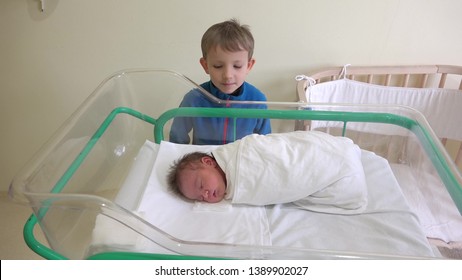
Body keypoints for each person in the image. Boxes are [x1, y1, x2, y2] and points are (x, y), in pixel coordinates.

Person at [167, 131, 368, 215]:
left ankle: (341, 162)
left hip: (323, 154)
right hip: (347, 180)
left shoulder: (240, 153)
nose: (205, 195)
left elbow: (279, 152)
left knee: (300, 156)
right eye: (200, 198)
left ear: (208, 162)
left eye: (201, 185)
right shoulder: (232, 190)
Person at [169, 18, 271, 145]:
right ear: (205, 65)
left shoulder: (257, 100)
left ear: (249, 66)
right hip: (204, 161)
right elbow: (176, 140)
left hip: (240, 159)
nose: (227, 75)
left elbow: (265, 142)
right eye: (218, 66)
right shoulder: (194, 99)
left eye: (237, 66)